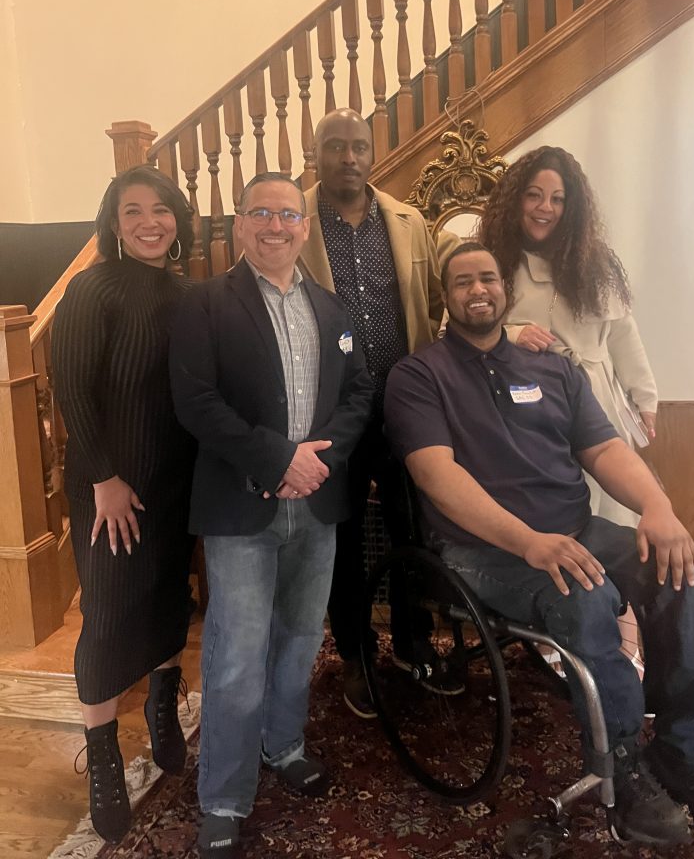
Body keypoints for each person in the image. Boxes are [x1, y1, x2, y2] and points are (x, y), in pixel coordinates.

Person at [383, 242, 694, 859]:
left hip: (576, 530)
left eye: (488, 277)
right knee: (585, 595)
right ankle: (624, 767)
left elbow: (605, 451)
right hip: (483, 551)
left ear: (503, 290)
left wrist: (659, 508)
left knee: (675, 568)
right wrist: (530, 542)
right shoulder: (419, 376)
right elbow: (435, 476)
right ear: (444, 300)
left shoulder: (552, 368)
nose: (477, 289)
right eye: (462, 282)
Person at [169, 172, 372, 859]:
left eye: (289, 214)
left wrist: (318, 461)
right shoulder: (204, 305)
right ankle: (224, 797)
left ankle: (283, 744)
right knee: (233, 656)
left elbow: (358, 393)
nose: (276, 226)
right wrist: (277, 459)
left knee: (300, 639)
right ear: (239, 225)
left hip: (316, 505)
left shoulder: (332, 310)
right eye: (262, 212)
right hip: (240, 508)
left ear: (304, 227)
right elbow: (197, 403)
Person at [52, 165, 198, 843]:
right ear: (113, 221)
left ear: (178, 219)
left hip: (174, 481)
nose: (149, 221)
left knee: (167, 600)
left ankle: (165, 714)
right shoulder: (91, 289)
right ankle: (105, 755)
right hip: (113, 487)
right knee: (109, 611)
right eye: (133, 209)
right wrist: (105, 478)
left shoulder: (188, 292)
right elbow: (73, 392)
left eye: (161, 209)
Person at [480, 146, 657, 670]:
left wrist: (644, 398)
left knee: (612, 520)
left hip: (598, 402)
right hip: (528, 411)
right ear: (515, 201)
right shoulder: (494, 261)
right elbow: (461, 326)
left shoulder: (595, 261)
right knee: (558, 517)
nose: (544, 207)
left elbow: (625, 335)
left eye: (557, 198)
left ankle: (623, 639)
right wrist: (510, 333)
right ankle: (559, 629)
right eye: (533, 194)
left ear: (572, 206)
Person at [300, 107, 445, 718]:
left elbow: (436, 305)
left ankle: (415, 645)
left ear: (373, 151)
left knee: (416, 528)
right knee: (345, 538)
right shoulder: (293, 223)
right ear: (317, 154)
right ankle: (356, 657)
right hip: (332, 416)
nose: (349, 158)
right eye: (336, 146)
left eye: (359, 146)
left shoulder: (409, 222)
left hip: (403, 404)